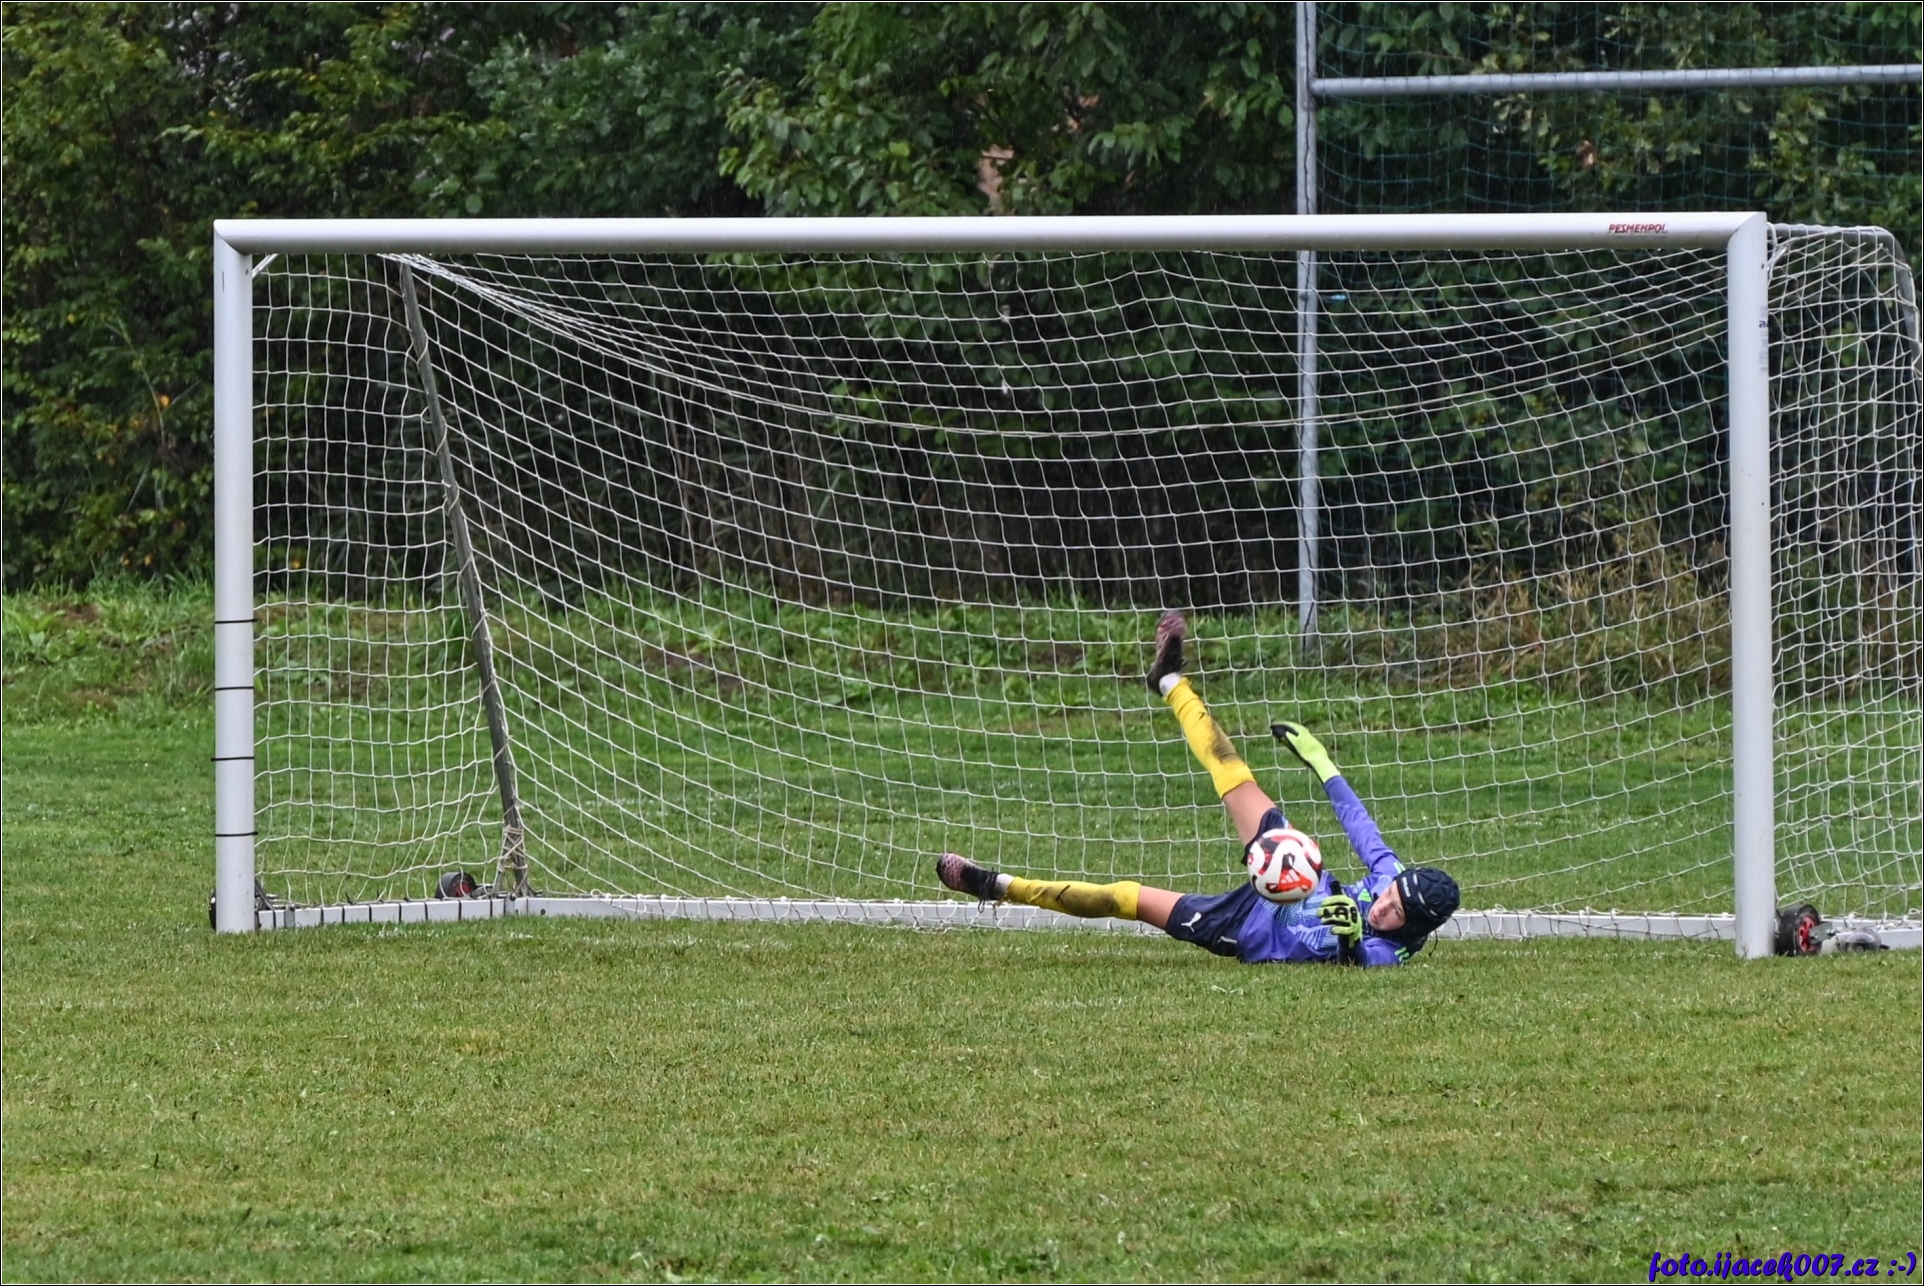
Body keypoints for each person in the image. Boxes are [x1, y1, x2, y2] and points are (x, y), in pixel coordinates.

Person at [936, 610, 1459, 965]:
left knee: (1125, 898)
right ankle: (1169, 679)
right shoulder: (1390, 876)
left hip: (1247, 927)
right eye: (1389, 895)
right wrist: (1321, 762)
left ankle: (996, 886)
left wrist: (1351, 941)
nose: (1382, 905)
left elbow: (1367, 961)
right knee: (1232, 770)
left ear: (1414, 927)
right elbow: (1360, 826)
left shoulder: (1394, 950)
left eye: (1394, 912)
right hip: (1293, 874)